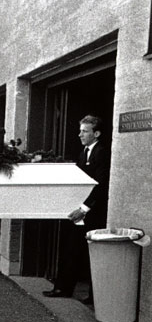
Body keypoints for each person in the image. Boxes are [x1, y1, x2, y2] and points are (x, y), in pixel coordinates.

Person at [42, 115, 111, 306]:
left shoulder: (102, 152)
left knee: (91, 253)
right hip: (80, 212)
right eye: (80, 130)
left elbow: (101, 185)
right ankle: (63, 288)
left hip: (94, 213)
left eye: (84, 131)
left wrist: (84, 208)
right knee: (72, 248)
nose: (80, 134)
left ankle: (93, 296)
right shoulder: (83, 153)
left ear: (96, 133)